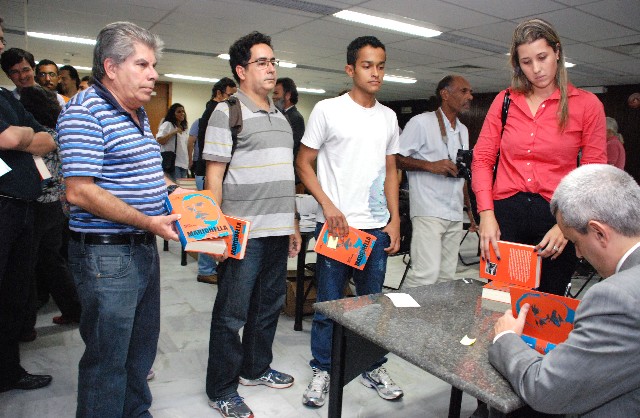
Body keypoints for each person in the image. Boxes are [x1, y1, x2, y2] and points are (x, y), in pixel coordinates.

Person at [57, 21, 182, 417]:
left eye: (154, 65)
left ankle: (136, 412)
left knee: (141, 348)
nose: (153, 74)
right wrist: (148, 222)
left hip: (141, 248)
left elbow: (148, 175)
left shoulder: (137, 113)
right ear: (111, 67)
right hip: (107, 256)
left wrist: (186, 199)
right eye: (142, 65)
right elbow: (79, 191)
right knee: (108, 358)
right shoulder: (84, 111)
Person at [296, 35, 402, 408]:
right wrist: (327, 205)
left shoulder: (388, 117)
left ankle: (373, 365)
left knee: (372, 305)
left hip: (375, 228)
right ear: (350, 69)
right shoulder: (328, 110)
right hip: (338, 228)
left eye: (381, 66)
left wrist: (395, 219)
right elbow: (303, 163)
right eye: (367, 65)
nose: (376, 73)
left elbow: (391, 171)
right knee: (330, 304)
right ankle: (323, 368)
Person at [202, 31, 301, 418]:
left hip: (277, 230)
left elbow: (283, 175)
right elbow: (214, 179)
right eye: (262, 62)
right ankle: (221, 389)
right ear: (241, 71)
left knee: (269, 307)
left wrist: (292, 223)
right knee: (231, 315)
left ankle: (255, 369)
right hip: (243, 234)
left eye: (273, 61)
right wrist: (215, 233)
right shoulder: (227, 112)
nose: (271, 68)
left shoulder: (281, 117)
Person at [489, 164, 640, 417]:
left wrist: (506, 338)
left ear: (599, 233)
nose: (578, 254)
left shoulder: (615, 297)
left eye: (576, 242)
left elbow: (545, 389)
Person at [471, 18, 606, 296]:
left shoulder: (587, 105)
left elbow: (593, 175)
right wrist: (486, 215)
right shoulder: (505, 101)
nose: (536, 69)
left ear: (557, 52)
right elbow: (482, 159)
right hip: (505, 217)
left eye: (542, 57)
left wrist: (566, 226)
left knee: (548, 306)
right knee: (500, 301)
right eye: (526, 62)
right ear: (517, 65)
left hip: (556, 219)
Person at [0, 15, 57, 394]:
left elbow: (47, 139)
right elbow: (8, 139)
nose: (1, 45)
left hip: (23, 205)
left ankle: (8, 372)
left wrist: (16, 135)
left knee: (15, 293)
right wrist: (18, 137)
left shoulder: (6, 98)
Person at [396, 75, 477, 288]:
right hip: (428, 210)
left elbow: (462, 173)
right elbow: (395, 158)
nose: (470, 96)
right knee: (425, 275)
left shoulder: (463, 130)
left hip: (454, 211)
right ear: (445, 94)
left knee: (446, 276)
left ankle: (435, 311)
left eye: (470, 92)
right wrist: (430, 166)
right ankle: (406, 310)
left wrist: (469, 210)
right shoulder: (421, 122)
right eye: (463, 91)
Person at [18, 85, 81, 338]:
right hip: (55, 206)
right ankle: (73, 309)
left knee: (27, 267)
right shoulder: (58, 132)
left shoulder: (41, 137)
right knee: (52, 261)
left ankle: (25, 326)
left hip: (38, 206)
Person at [188, 77, 237, 285]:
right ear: (219, 94)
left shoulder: (211, 110)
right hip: (209, 173)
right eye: (230, 95)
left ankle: (208, 267)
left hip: (206, 172)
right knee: (211, 221)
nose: (233, 100)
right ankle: (206, 269)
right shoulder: (215, 111)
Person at [272, 77, 305, 192]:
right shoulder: (279, 115)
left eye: (276, 93)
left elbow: (291, 146)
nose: (273, 97)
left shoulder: (295, 118)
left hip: (291, 177)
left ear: (287, 95)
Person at [157, 102, 189, 180]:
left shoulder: (184, 128)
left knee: (182, 187)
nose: (182, 113)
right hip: (173, 163)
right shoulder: (168, 124)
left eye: (183, 111)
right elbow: (159, 140)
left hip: (184, 163)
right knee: (175, 186)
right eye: (179, 112)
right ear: (173, 114)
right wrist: (173, 132)